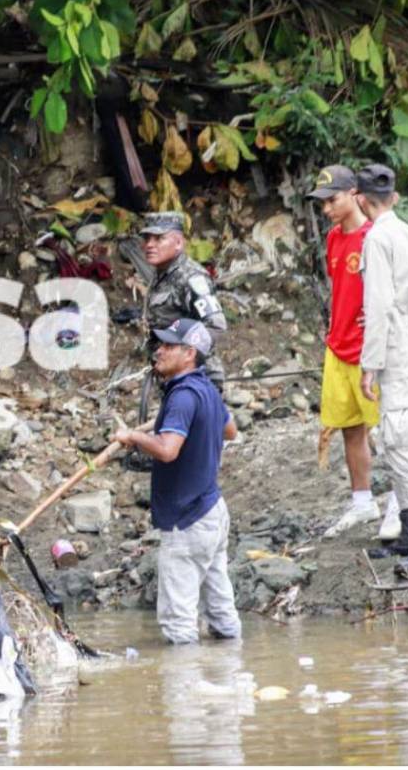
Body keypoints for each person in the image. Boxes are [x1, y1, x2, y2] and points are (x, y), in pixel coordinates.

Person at [113, 318, 241, 644]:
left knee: (178, 622)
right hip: (212, 511)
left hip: (187, 521)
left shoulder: (183, 396)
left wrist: (133, 437)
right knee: (221, 609)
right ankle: (231, 674)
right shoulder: (206, 389)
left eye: (169, 345)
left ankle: (184, 687)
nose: (159, 351)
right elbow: (230, 429)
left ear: (189, 353)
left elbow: (168, 451)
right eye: (161, 344)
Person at [306, 165, 382, 538]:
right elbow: (339, 288)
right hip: (338, 346)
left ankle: (404, 502)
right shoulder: (334, 238)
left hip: (370, 349)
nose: (326, 209)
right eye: (322, 203)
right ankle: (362, 501)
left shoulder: (376, 236)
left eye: (332, 200)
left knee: (391, 428)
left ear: (355, 193)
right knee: (350, 427)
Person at [355, 164, 408, 559]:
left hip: (394, 346)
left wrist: (369, 364)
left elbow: (377, 304)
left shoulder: (377, 239)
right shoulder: (407, 232)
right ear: (393, 196)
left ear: (360, 198)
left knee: (398, 439)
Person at [140, 212, 227, 389]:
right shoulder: (162, 274)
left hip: (197, 380)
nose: (149, 245)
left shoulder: (191, 277)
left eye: (159, 239)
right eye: (147, 238)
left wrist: (182, 359)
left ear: (179, 243)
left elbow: (216, 325)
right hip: (172, 377)